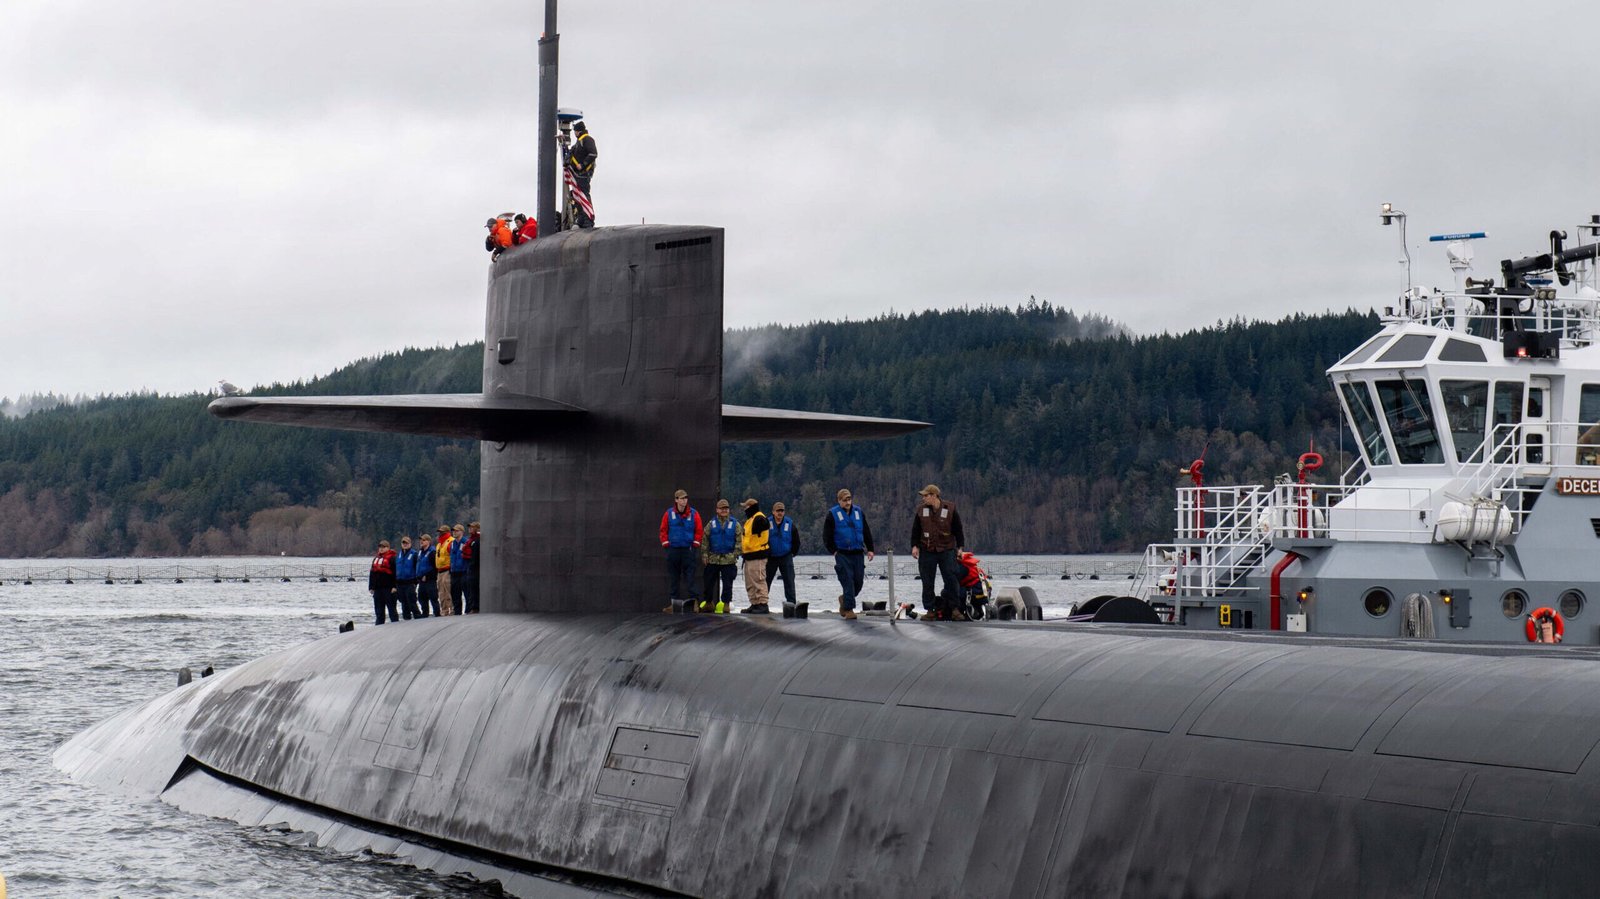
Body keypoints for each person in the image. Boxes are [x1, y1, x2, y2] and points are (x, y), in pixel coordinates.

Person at [910, 484, 966, 620]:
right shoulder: (921, 510)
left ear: (934, 496)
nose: (923, 498)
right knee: (927, 581)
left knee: (951, 579)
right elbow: (915, 530)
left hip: (946, 549)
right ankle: (930, 609)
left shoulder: (950, 508)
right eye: (923, 496)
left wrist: (960, 547)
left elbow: (958, 529)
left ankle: (954, 609)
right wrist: (914, 546)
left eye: (926, 495)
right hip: (927, 550)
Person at [822, 488, 875, 620]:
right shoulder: (832, 514)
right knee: (847, 581)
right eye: (844, 500)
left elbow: (866, 531)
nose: (848, 502)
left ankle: (844, 600)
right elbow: (826, 536)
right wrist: (833, 551)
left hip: (858, 552)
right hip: (842, 553)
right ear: (839, 501)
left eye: (849, 499)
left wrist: (870, 549)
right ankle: (849, 609)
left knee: (858, 582)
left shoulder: (858, 512)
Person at [659, 489, 703, 610]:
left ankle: (695, 602)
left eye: (686, 498)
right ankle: (674, 604)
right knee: (674, 577)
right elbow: (663, 530)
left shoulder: (694, 514)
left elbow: (699, 530)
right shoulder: (669, 514)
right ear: (676, 500)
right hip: (673, 550)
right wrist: (666, 544)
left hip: (688, 550)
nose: (684, 500)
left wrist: (695, 544)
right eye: (682, 498)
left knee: (690, 577)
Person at [701, 499, 740, 613]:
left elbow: (739, 540)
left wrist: (735, 554)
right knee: (708, 582)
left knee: (728, 584)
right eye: (722, 508)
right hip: (713, 558)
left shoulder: (735, 524)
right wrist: (704, 554)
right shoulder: (711, 524)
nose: (724, 510)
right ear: (717, 510)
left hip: (728, 559)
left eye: (726, 509)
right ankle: (709, 602)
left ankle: (726, 604)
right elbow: (705, 539)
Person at [764, 501, 801, 605]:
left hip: (786, 556)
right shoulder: (767, 522)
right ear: (773, 512)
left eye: (782, 511)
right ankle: (763, 603)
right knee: (766, 581)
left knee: (789, 581)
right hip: (771, 557)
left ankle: (791, 604)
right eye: (778, 511)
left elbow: (796, 540)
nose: (780, 513)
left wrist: (793, 553)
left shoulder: (790, 524)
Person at [739, 498, 771, 614]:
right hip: (749, 556)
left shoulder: (759, 517)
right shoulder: (750, 520)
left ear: (751, 507)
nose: (744, 509)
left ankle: (762, 604)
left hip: (758, 555)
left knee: (759, 580)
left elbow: (765, 524)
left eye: (746, 507)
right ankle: (754, 603)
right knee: (750, 582)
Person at [568, 120, 597, 228]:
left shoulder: (587, 139)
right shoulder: (579, 142)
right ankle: (581, 218)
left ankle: (588, 219)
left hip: (583, 174)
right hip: (577, 174)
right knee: (577, 196)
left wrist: (583, 164)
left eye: (575, 131)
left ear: (577, 131)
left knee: (584, 195)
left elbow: (593, 153)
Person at [367, 539, 398, 625]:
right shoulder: (376, 559)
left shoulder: (392, 558)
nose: (381, 549)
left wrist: (395, 586)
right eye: (380, 547)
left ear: (388, 548)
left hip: (388, 589)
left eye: (383, 547)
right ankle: (379, 626)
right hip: (378, 589)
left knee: (392, 610)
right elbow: (372, 573)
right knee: (379, 612)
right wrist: (371, 587)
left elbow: (395, 573)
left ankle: (395, 625)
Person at [393, 534, 423, 620]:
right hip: (400, 583)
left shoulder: (414, 554)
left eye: (406, 543)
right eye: (403, 543)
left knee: (412, 602)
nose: (405, 544)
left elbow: (417, 568)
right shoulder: (398, 555)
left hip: (410, 582)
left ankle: (418, 617)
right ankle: (406, 619)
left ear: (410, 544)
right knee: (403, 603)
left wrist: (415, 582)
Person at [417, 532, 440, 617]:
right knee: (421, 598)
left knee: (433, 598)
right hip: (421, 580)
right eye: (421, 540)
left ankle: (437, 613)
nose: (421, 542)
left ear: (428, 541)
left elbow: (435, 567)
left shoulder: (432, 553)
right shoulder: (420, 552)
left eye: (423, 540)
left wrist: (427, 576)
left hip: (430, 580)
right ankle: (425, 614)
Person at [460, 521, 481, 614]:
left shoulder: (477, 540)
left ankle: (475, 607)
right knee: (470, 588)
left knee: (474, 587)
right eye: (469, 527)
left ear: (477, 528)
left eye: (472, 527)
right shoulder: (471, 540)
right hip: (469, 566)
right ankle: (472, 607)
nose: (470, 529)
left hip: (475, 567)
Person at [434, 525, 455, 615]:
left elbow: (453, 556)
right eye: (439, 532)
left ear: (446, 532)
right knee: (441, 593)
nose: (440, 533)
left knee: (448, 591)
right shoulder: (439, 544)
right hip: (439, 571)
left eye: (442, 532)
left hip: (447, 570)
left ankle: (452, 610)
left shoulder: (450, 541)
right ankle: (444, 610)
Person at [449, 523, 469, 614]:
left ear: (462, 532)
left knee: (467, 592)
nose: (454, 532)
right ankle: (457, 611)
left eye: (456, 531)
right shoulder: (453, 543)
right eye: (453, 531)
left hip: (463, 571)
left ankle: (468, 610)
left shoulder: (466, 542)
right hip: (454, 572)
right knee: (455, 593)